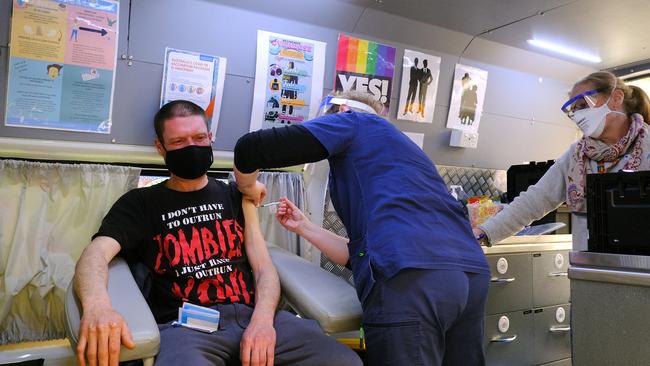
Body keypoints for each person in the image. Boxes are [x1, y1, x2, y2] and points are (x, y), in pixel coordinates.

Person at [73, 100, 362, 366]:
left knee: (345, 362)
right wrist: (98, 306)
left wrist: (262, 321)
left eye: (199, 138)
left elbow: (263, 269)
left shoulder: (236, 195)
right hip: (187, 328)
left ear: (211, 138)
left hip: (254, 316)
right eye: (178, 141)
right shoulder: (140, 204)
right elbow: (95, 254)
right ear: (160, 148)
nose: (192, 147)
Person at [234, 91, 491, 366]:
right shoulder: (408, 153)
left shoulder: (354, 121)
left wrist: (248, 187)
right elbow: (362, 254)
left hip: (411, 281)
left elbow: (250, 149)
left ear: (343, 109)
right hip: (470, 275)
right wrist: (305, 227)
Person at [474, 71, 650, 250]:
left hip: (641, 266)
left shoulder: (647, 145)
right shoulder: (577, 155)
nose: (579, 115)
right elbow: (535, 200)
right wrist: (483, 232)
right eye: (574, 110)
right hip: (589, 266)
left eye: (583, 105)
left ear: (616, 97)